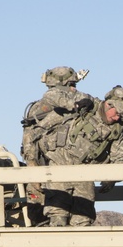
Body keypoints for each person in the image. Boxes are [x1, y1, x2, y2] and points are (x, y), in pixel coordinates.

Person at [40, 86, 123, 227]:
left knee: (83, 219)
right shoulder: (89, 103)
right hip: (60, 163)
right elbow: (50, 95)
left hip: (84, 172)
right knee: (58, 216)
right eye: (117, 113)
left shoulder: (116, 130)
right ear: (108, 104)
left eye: (122, 116)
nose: (117, 118)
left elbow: (121, 159)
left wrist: (112, 180)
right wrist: (74, 104)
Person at [20, 67, 94, 218]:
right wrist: (33, 168)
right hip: (44, 168)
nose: (74, 89)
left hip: (70, 169)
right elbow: (29, 139)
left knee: (78, 216)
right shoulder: (43, 107)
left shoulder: (82, 105)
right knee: (42, 216)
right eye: (71, 85)